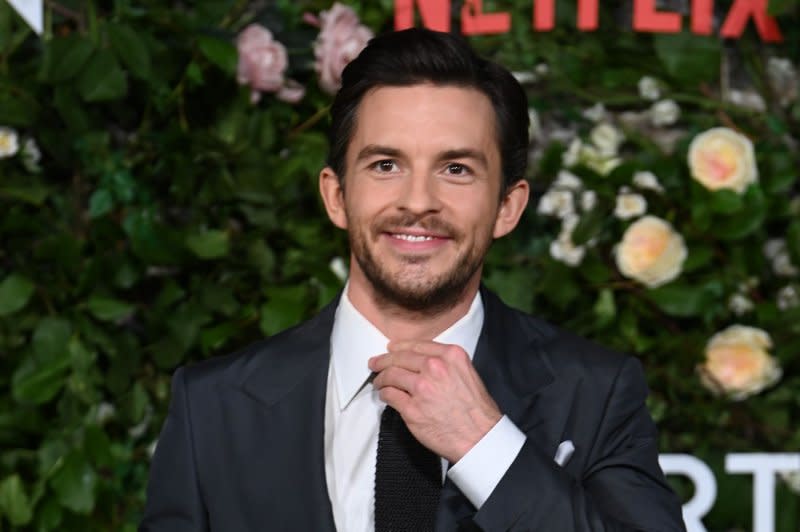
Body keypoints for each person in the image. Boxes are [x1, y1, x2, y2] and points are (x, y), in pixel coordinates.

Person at [140, 28, 686, 531]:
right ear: (336, 195)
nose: (418, 202)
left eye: (456, 169)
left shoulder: (594, 393)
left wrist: (487, 445)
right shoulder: (212, 405)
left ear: (508, 206)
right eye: (385, 165)